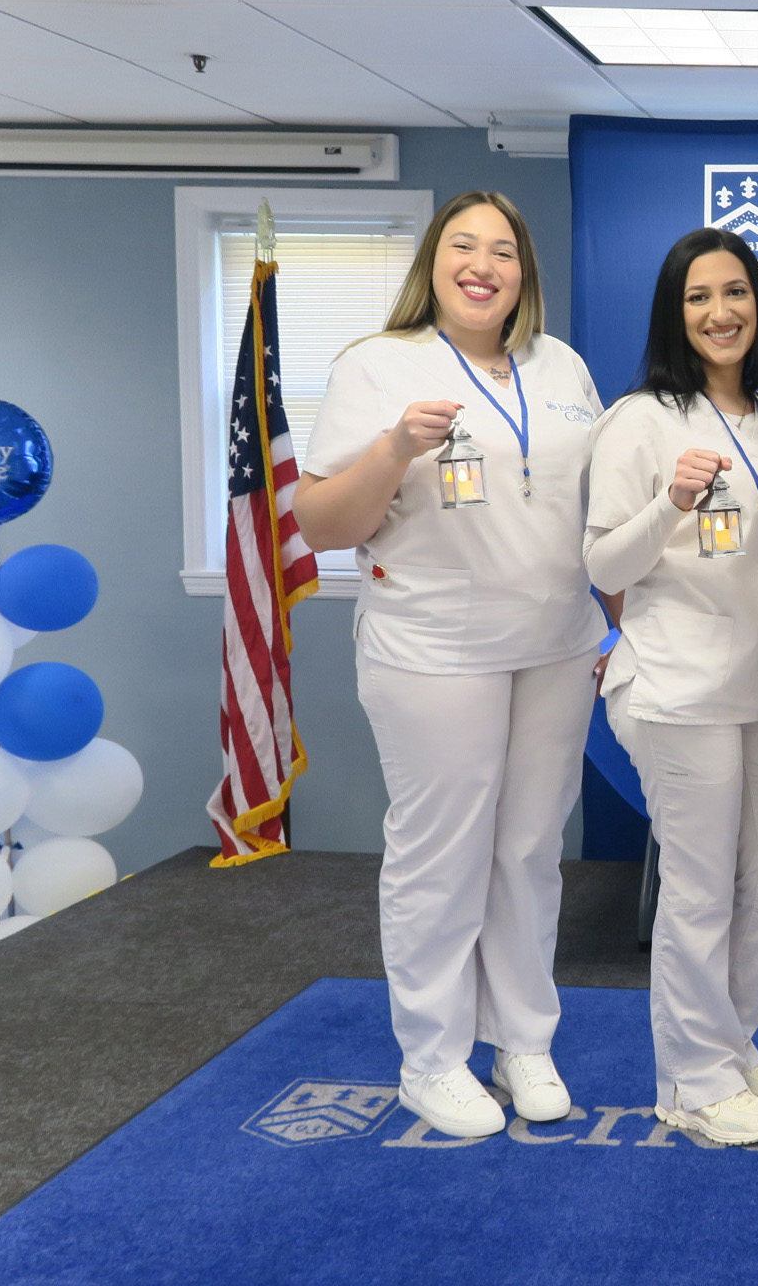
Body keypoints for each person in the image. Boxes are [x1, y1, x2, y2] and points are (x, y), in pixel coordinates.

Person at [288, 190, 605, 1140]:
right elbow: (322, 524)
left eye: (503, 250)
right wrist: (394, 448)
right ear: (432, 262)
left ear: (524, 274)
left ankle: (524, 1040)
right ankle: (432, 1058)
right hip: (435, 649)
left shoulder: (562, 366)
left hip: (555, 643)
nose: (483, 264)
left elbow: (587, 508)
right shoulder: (378, 366)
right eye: (463, 245)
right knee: (443, 853)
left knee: (529, 852)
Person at [582, 227, 758, 1145]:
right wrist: (669, 505)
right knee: (700, 886)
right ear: (673, 315)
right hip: (676, 688)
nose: (720, 312)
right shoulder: (640, 418)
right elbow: (602, 560)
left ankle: (730, 1039)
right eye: (697, 297)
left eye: (735, 293)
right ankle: (689, 1081)